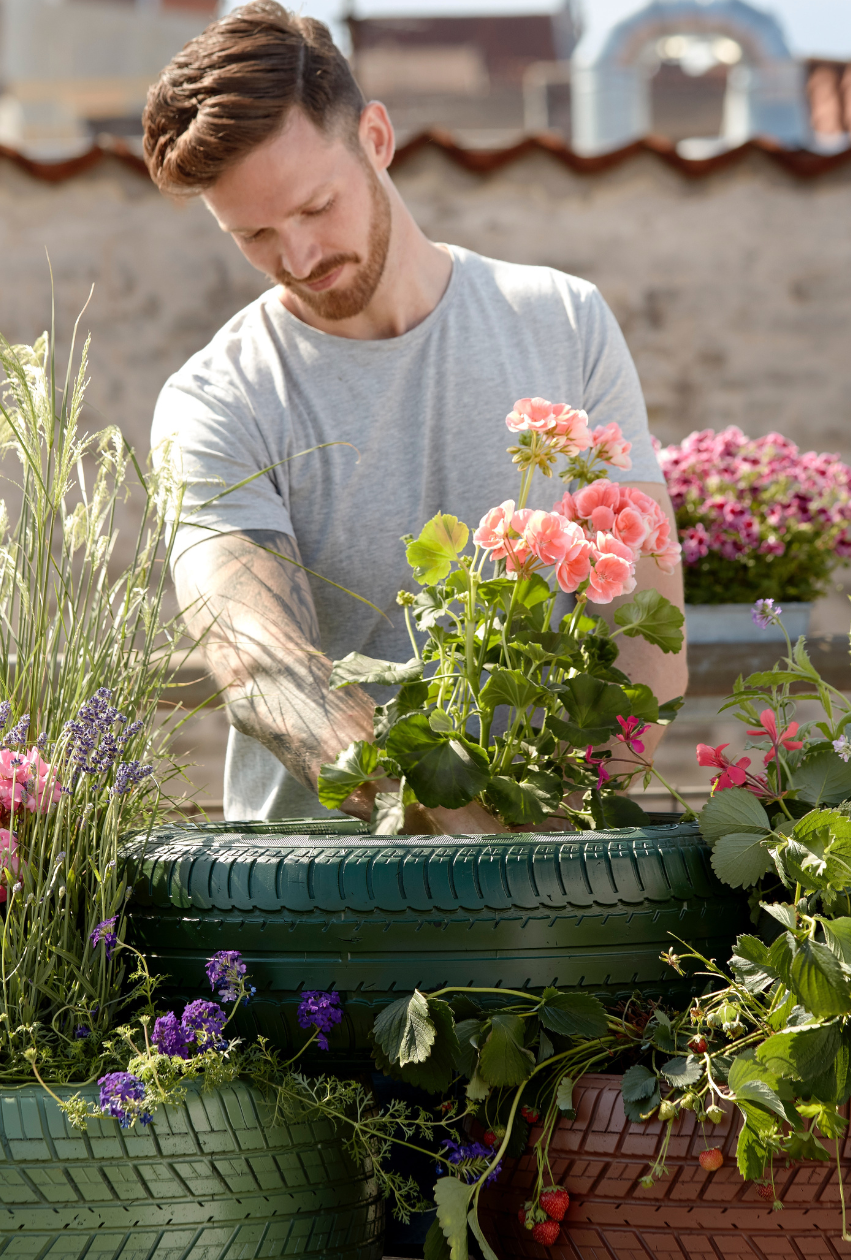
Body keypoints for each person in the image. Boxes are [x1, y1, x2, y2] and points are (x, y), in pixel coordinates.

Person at [143, 0, 684, 830]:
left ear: (377, 139)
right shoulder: (216, 398)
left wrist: (562, 840)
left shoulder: (565, 322)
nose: (298, 257)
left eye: (316, 207)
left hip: (550, 891)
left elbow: (648, 636)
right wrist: (448, 826)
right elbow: (256, 659)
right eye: (253, 234)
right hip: (314, 909)